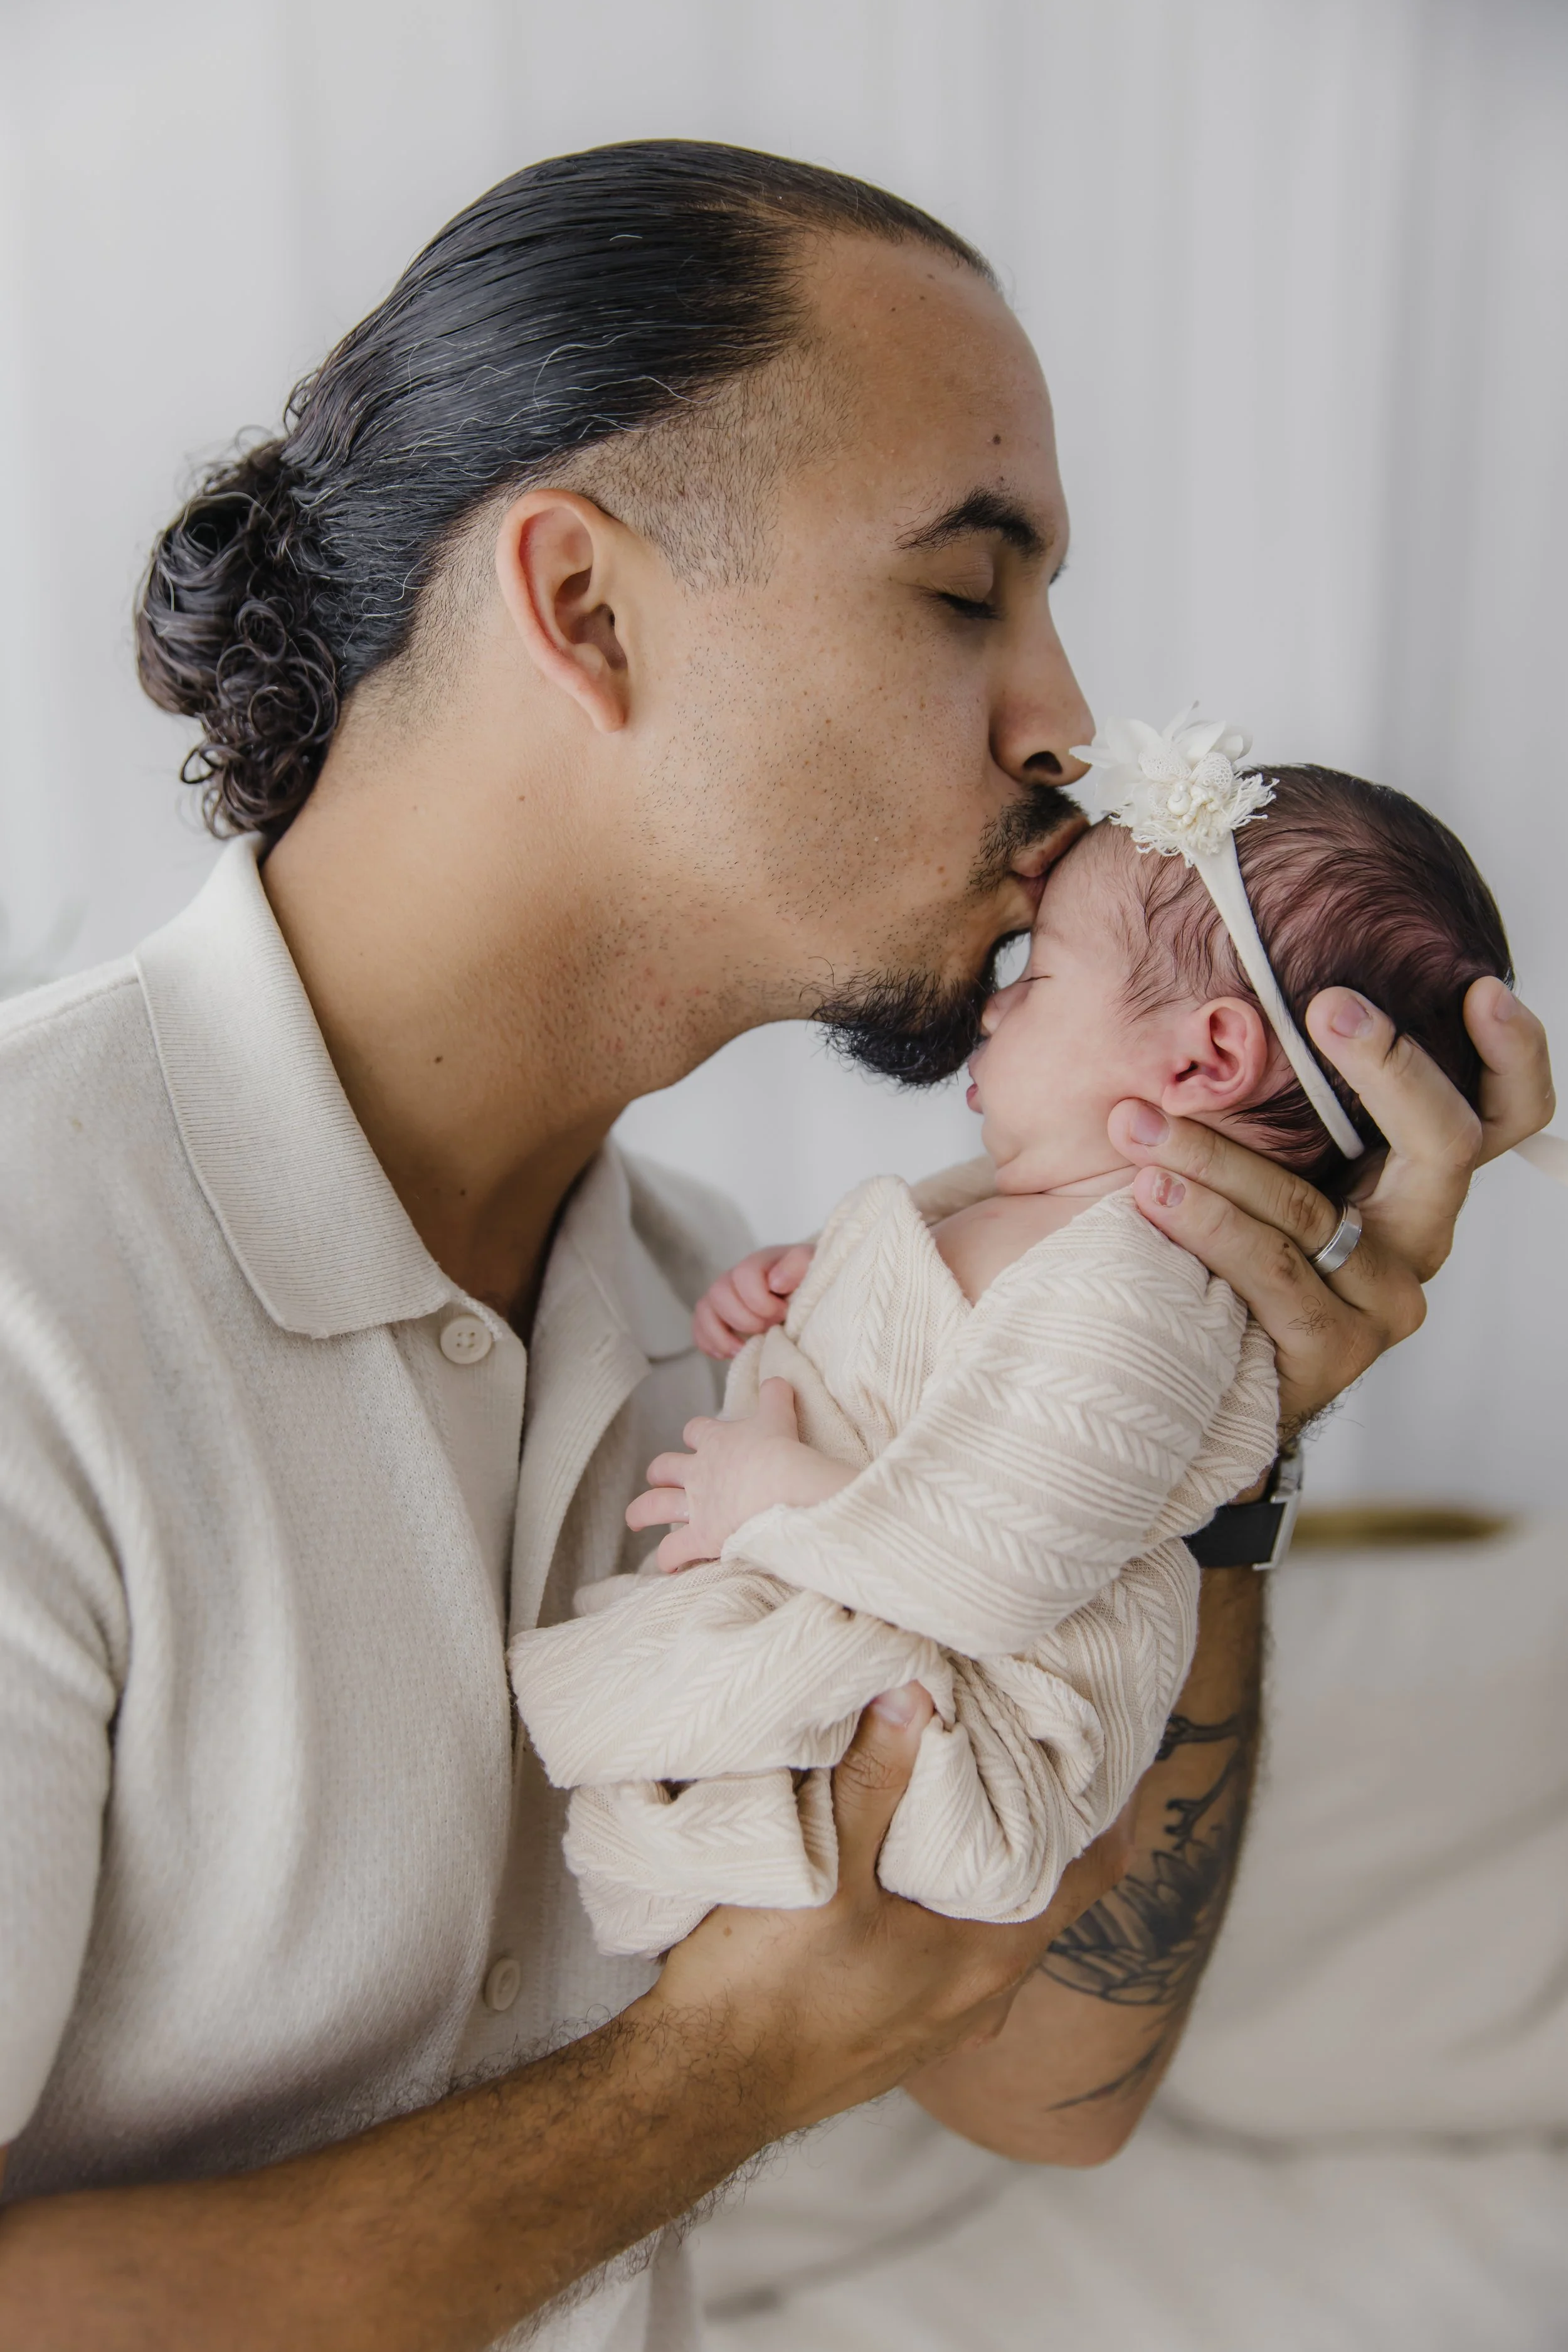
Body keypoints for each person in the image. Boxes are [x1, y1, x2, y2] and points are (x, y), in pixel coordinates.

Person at [0, 141, 1550, 2352]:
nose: (1070, 730)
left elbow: (1057, 2090)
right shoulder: (31, 1280)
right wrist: (720, 2071)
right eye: (966, 589)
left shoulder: (742, 1301)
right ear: (587, 606)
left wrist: (1223, 1435)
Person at [510, 747, 1512, 1959]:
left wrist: (771, 1496)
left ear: (1201, 1061)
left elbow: (996, 1568)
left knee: (609, 1720)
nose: (993, 1003)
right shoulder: (1018, 1201)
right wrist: (798, 1285)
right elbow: (909, 1337)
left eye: (1036, 974)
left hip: (961, 1724)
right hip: (857, 1613)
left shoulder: (1147, 1289)